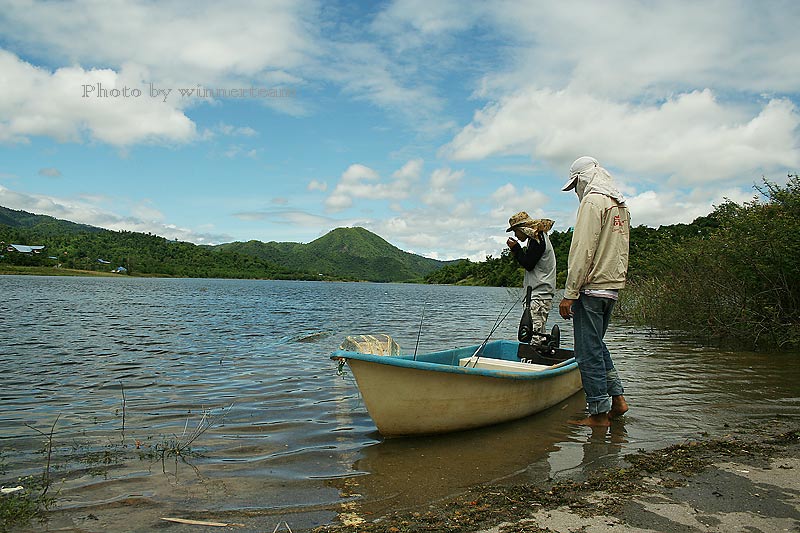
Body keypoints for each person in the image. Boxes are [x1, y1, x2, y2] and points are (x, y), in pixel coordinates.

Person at [558, 156, 630, 427]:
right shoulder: (620, 204)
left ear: (583, 179)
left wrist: (570, 293)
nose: (576, 190)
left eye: (576, 183)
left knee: (586, 352)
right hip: (611, 287)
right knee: (597, 346)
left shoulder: (593, 201)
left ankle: (598, 414)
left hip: (591, 288)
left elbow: (582, 250)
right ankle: (618, 400)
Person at [506, 212, 557, 336]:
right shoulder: (538, 237)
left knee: (534, 334)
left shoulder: (537, 239)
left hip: (539, 295)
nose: (515, 235)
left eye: (515, 231)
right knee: (536, 332)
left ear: (522, 229)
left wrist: (516, 248)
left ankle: (534, 354)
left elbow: (528, 263)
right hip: (540, 293)